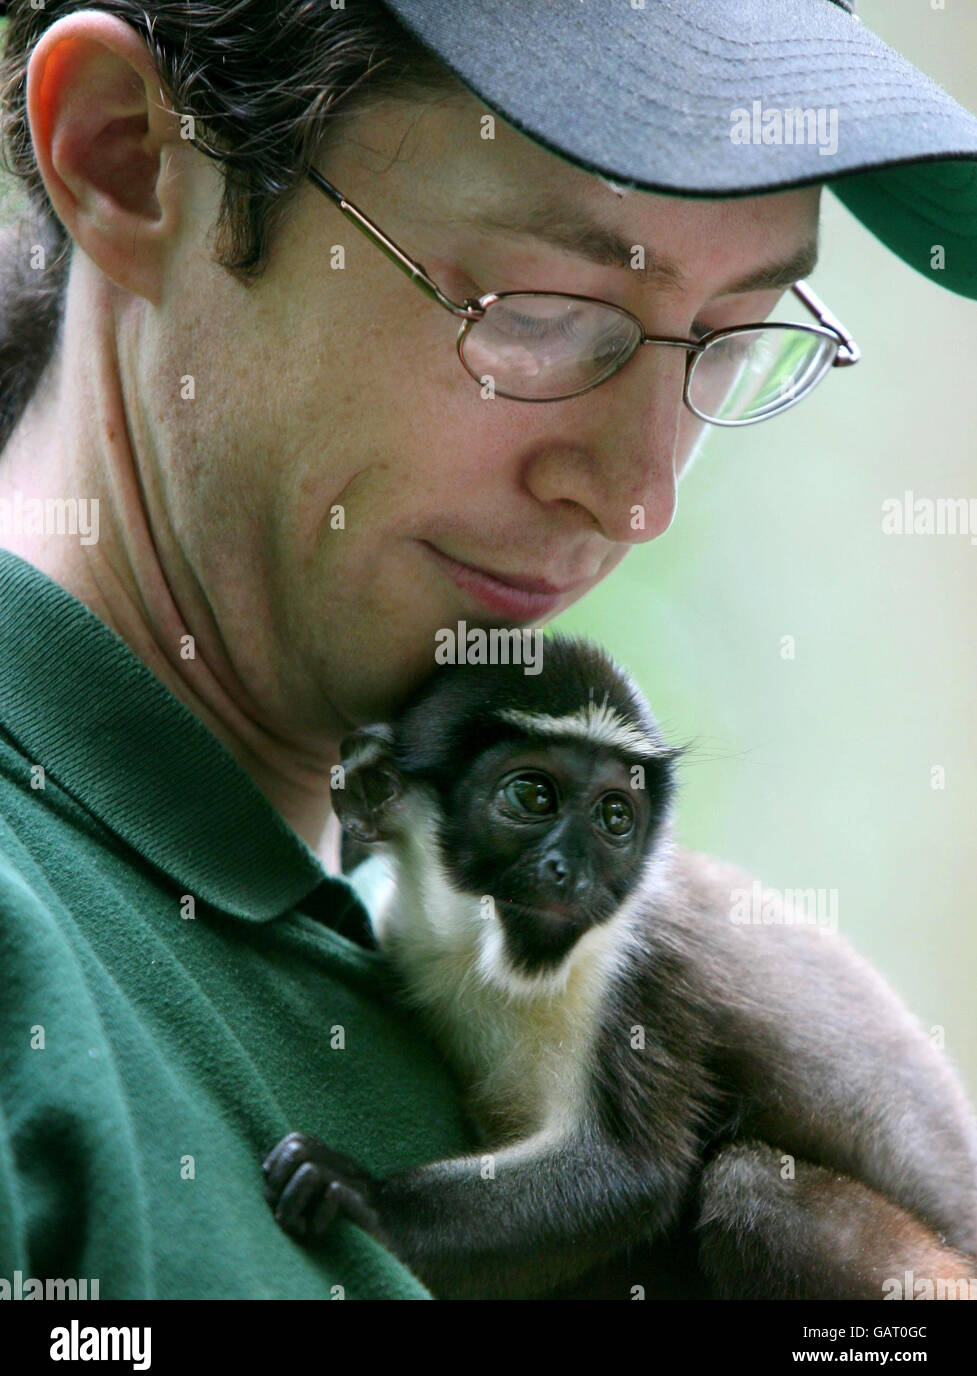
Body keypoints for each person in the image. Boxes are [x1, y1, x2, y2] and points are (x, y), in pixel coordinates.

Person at [0, 0, 975, 1301]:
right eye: (544, 314)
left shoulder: (502, 919)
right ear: (125, 156)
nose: (637, 500)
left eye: (731, 338)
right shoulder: (38, 969)